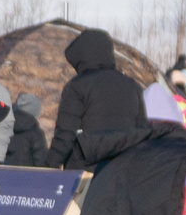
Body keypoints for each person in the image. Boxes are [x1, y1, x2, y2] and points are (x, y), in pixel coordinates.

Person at [49, 28, 146, 168]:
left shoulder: (77, 86)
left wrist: (48, 166)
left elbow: (65, 135)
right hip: (122, 172)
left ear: (82, 57)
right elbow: (141, 134)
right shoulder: (133, 87)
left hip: (86, 174)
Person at [5, 91, 50, 167]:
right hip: (28, 177)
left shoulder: (4, 127)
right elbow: (41, 163)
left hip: (2, 175)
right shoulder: (36, 133)